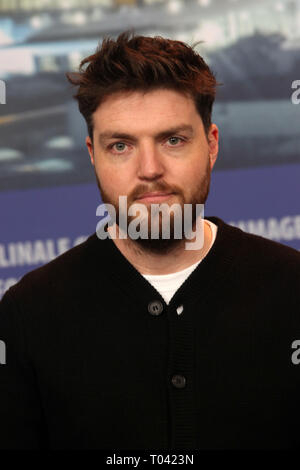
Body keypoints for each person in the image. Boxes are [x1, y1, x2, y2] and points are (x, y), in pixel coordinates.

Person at [0, 31, 299, 450]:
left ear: (211, 145)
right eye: (120, 145)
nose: (150, 169)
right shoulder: (27, 314)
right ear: (92, 155)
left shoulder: (292, 288)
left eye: (172, 140)